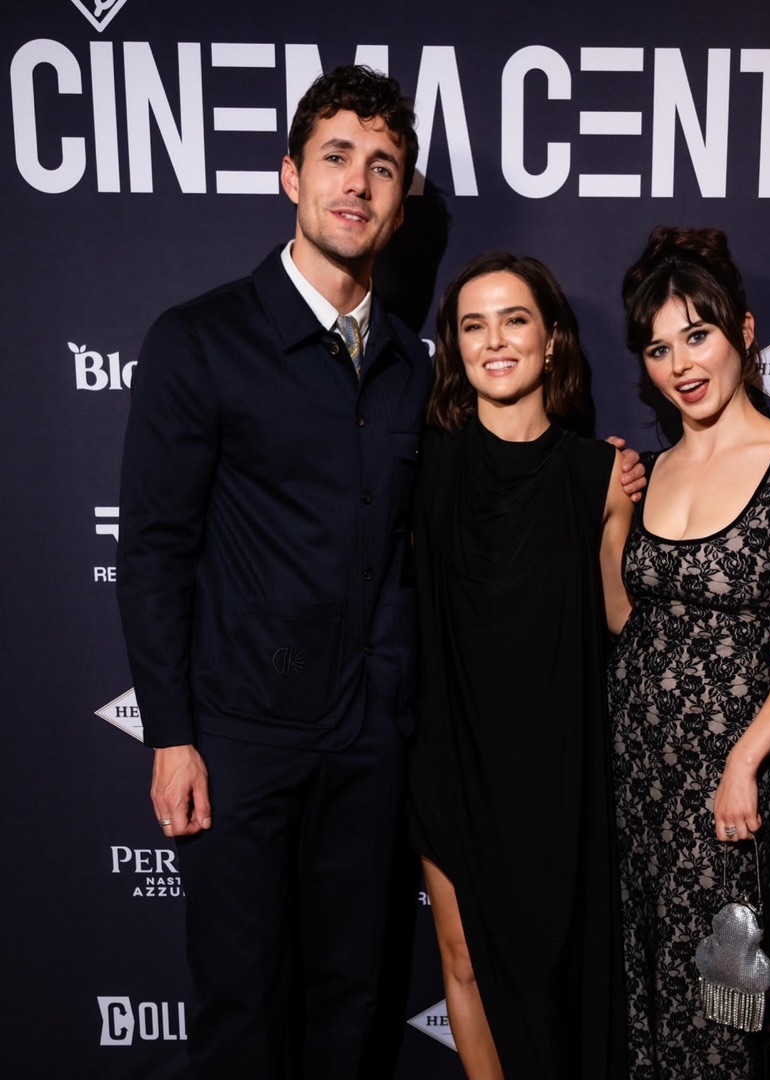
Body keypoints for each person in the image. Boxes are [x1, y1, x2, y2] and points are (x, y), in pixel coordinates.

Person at [117, 66, 427, 1079]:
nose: (358, 185)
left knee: (353, 1008)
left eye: (382, 166)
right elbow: (155, 549)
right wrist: (171, 736)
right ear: (290, 173)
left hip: (368, 742)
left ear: (403, 195)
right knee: (244, 1014)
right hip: (240, 739)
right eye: (336, 158)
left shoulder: (412, 365)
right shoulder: (198, 340)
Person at [605, 227, 770, 1078]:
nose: (681, 364)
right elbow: (621, 618)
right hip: (632, 773)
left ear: (744, 332)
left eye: (697, 336)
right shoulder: (659, 468)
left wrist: (745, 762)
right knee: (642, 1005)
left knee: (725, 1010)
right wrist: (611, 517)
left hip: (726, 790)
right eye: (658, 347)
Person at [407, 252, 626, 1079]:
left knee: (553, 970)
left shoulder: (600, 475)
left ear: (552, 337)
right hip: (446, 745)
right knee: (463, 959)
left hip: (557, 759)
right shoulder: (422, 466)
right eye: (472, 324)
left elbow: (623, 620)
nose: (494, 340)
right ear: (454, 347)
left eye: (514, 319)